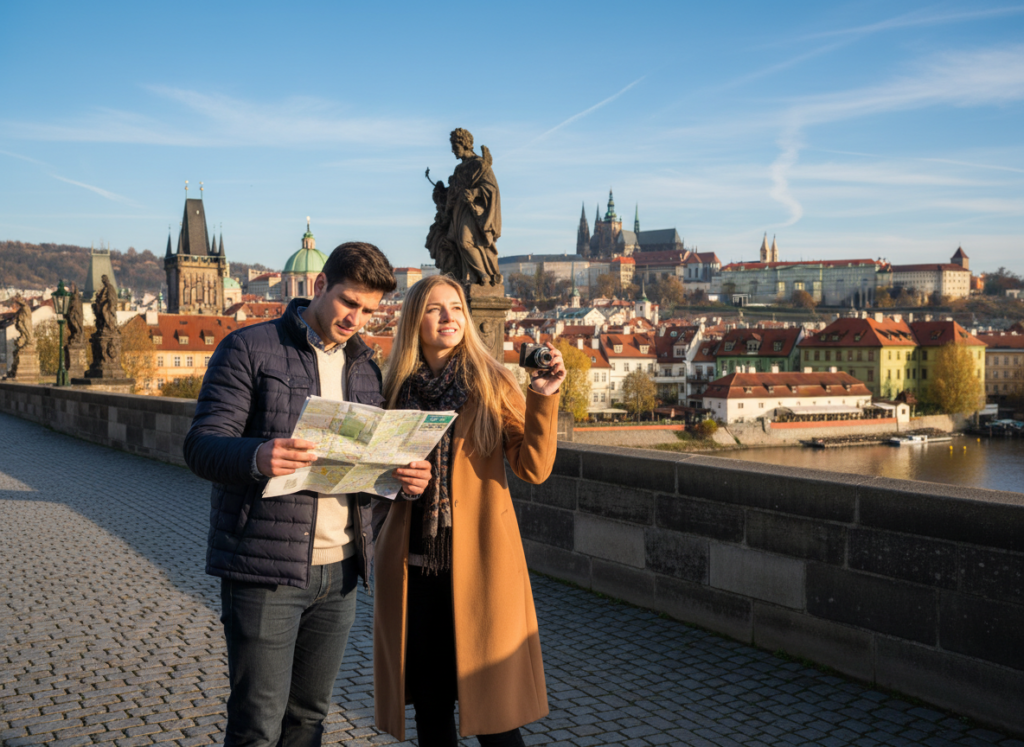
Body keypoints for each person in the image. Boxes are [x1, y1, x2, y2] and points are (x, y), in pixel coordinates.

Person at [183, 242, 433, 747]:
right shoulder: (249, 347)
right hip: (264, 567)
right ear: (320, 286)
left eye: (369, 310)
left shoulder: (366, 367)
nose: (356, 319)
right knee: (258, 723)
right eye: (349, 303)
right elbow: (200, 446)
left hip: (340, 569)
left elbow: (369, 471)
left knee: (309, 719)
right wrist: (258, 457)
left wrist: (403, 479)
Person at [373, 275, 565, 746]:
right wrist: (396, 481)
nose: (449, 318)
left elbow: (533, 466)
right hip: (413, 573)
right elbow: (370, 479)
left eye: (456, 308)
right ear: (414, 321)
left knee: (497, 723)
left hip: (480, 569)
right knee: (432, 715)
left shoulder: (492, 381)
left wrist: (543, 395)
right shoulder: (393, 389)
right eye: (436, 309)